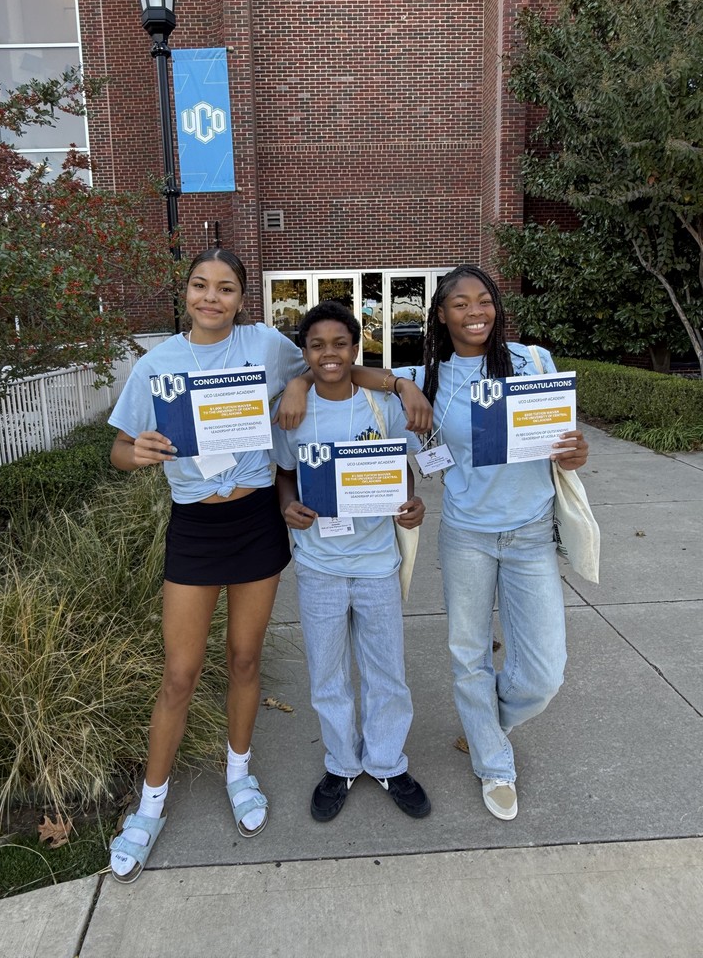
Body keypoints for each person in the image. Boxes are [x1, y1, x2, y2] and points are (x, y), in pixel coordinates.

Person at [107, 249, 430, 882]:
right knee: (180, 672)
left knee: (246, 660)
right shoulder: (158, 363)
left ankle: (239, 771)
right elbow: (119, 448)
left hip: (256, 521)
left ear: (241, 297)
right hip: (197, 525)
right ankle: (149, 807)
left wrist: (393, 382)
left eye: (225, 288)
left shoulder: (266, 345)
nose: (211, 297)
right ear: (188, 291)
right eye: (201, 285)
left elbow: (333, 370)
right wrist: (137, 452)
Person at [394, 264, 589, 821]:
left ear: (497, 306)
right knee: (468, 652)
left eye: (484, 300)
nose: (475, 312)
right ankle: (493, 762)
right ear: (440, 314)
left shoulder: (534, 362)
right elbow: (345, 371)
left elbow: (564, 440)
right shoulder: (428, 377)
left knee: (545, 669)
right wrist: (401, 384)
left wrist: (576, 452)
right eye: (460, 303)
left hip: (529, 531)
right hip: (467, 535)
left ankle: (487, 724)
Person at [273, 301, 431, 822]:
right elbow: (284, 472)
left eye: (340, 343)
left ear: (356, 347)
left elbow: (402, 466)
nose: (329, 354)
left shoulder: (380, 405)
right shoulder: (293, 410)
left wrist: (411, 503)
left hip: (376, 562)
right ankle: (342, 763)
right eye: (317, 345)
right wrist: (285, 506)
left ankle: (386, 761)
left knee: (387, 669)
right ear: (304, 353)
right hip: (318, 563)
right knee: (328, 673)